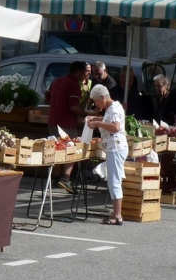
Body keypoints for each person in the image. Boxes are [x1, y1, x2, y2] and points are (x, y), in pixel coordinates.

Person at [85, 84, 128, 225]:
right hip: (115, 147)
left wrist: (98, 124)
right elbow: (109, 123)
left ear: (103, 97)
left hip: (115, 147)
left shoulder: (114, 108)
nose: (96, 104)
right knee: (115, 180)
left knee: (114, 181)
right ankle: (116, 213)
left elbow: (115, 127)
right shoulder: (112, 107)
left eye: (97, 101)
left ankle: (117, 216)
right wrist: (98, 121)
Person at [47, 60, 88, 192]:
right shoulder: (73, 85)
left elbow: (47, 96)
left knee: (57, 148)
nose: (85, 76)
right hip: (66, 123)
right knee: (72, 148)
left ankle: (55, 178)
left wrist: (56, 104)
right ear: (79, 72)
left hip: (53, 120)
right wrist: (86, 113)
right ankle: (65, 179)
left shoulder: (57, 81)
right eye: (84, 72)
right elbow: (74, 107)